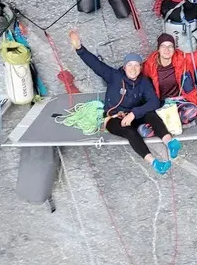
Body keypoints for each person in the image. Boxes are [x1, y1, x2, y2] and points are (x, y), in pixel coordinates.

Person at [67, 30, 181, 174]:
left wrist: (134, 114)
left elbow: (154, 102)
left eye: (136, 66)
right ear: (124, 67)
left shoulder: (143, 82)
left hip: (133, 115)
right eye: (130, 65)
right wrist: (79, 48)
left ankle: (170, 143)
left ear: (140, 68)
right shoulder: (114, 76)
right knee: (130, 132)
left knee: (151, 115)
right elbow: (95, 64)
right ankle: (155, 163)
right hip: (114, 118)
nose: (133, 69)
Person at [142, 16, 197, 123]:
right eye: (163, 46)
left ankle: (170, 122)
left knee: (190, 112)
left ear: (174, 48)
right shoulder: (150, 64)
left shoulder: (185, 59)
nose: (167, 50)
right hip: (161, 104)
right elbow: (135, 73)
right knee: (147, 126)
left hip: (182, 102)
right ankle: (169, 122)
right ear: (158, 49)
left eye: (170, 46)